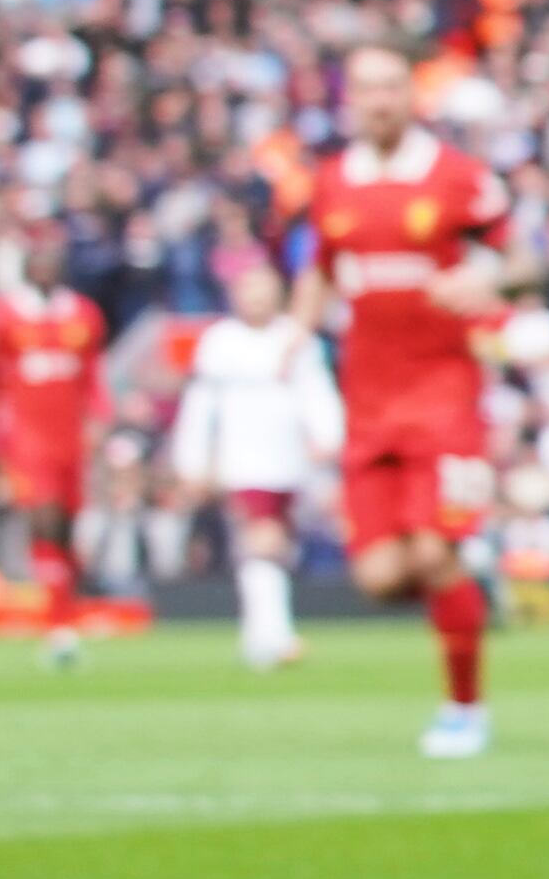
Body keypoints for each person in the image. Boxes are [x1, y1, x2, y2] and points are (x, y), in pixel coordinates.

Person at [303, 48, 516, 758]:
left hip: (444, 393)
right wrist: (292, 337)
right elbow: (321, 272)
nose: (380, 100)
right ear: (350, 99)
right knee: (380, 575)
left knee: (432, 552)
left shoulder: (456, 175)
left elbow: (526, 258)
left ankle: (464, 709)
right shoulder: (332, 181)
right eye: (366, 88)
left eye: (392, 85)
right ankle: (471, 596)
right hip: (368, 402)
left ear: (412, 95)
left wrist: (491, 285)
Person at [167, 259, 340, 673]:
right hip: (242, 458)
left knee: (273, 545)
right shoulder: (220, 342)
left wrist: (330, 438)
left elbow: (317, 392)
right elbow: (200, 406)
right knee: (263, 539)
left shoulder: (296, 341)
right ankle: (274, 634)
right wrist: (192, 460)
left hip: (290, 457)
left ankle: (259, 634)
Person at [0, 244, 108, 670]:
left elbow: (92, 376)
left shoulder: (83, 315)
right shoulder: (5, 316)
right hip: (28, 438)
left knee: (67, 528)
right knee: (44, 517)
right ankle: (57, 625)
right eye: (39, 261)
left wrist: (100, 419)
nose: (46, 268)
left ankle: (64, 611)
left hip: (71, 437)